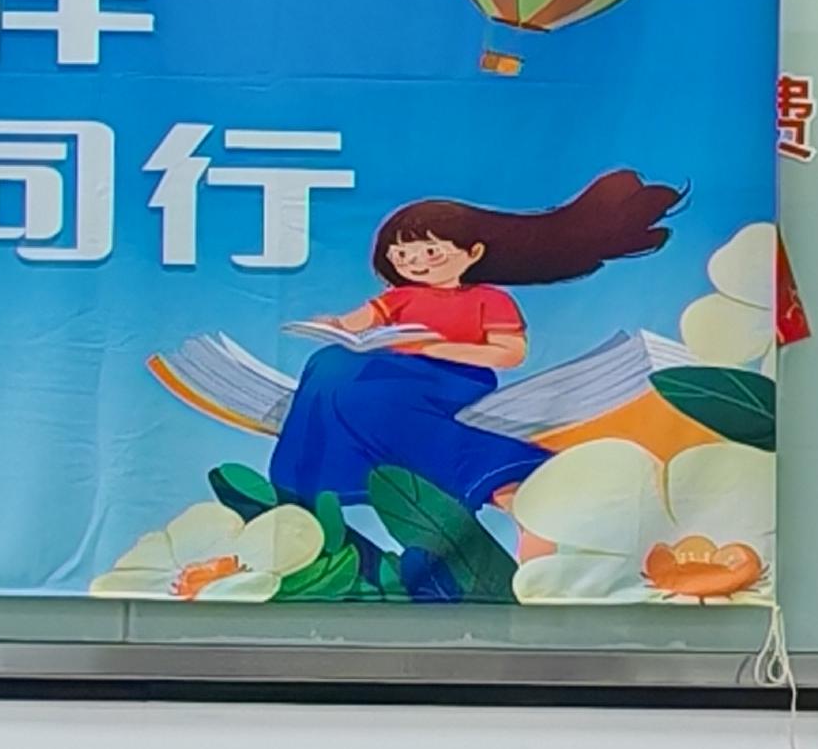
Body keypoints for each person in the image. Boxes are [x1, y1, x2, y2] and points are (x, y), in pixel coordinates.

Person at [269, 167, 681, 513]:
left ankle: (504, 477)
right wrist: (336, 326)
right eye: (403, 255)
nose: (415, 263)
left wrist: (435, 348)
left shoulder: (489, 299)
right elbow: (358, 321)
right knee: (328, 363)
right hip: (391, 370)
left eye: (431, 252)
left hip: (453, 376)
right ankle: (304, 486)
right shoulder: (400, 297)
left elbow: (510, 353)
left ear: (473, 252)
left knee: (368, 398)